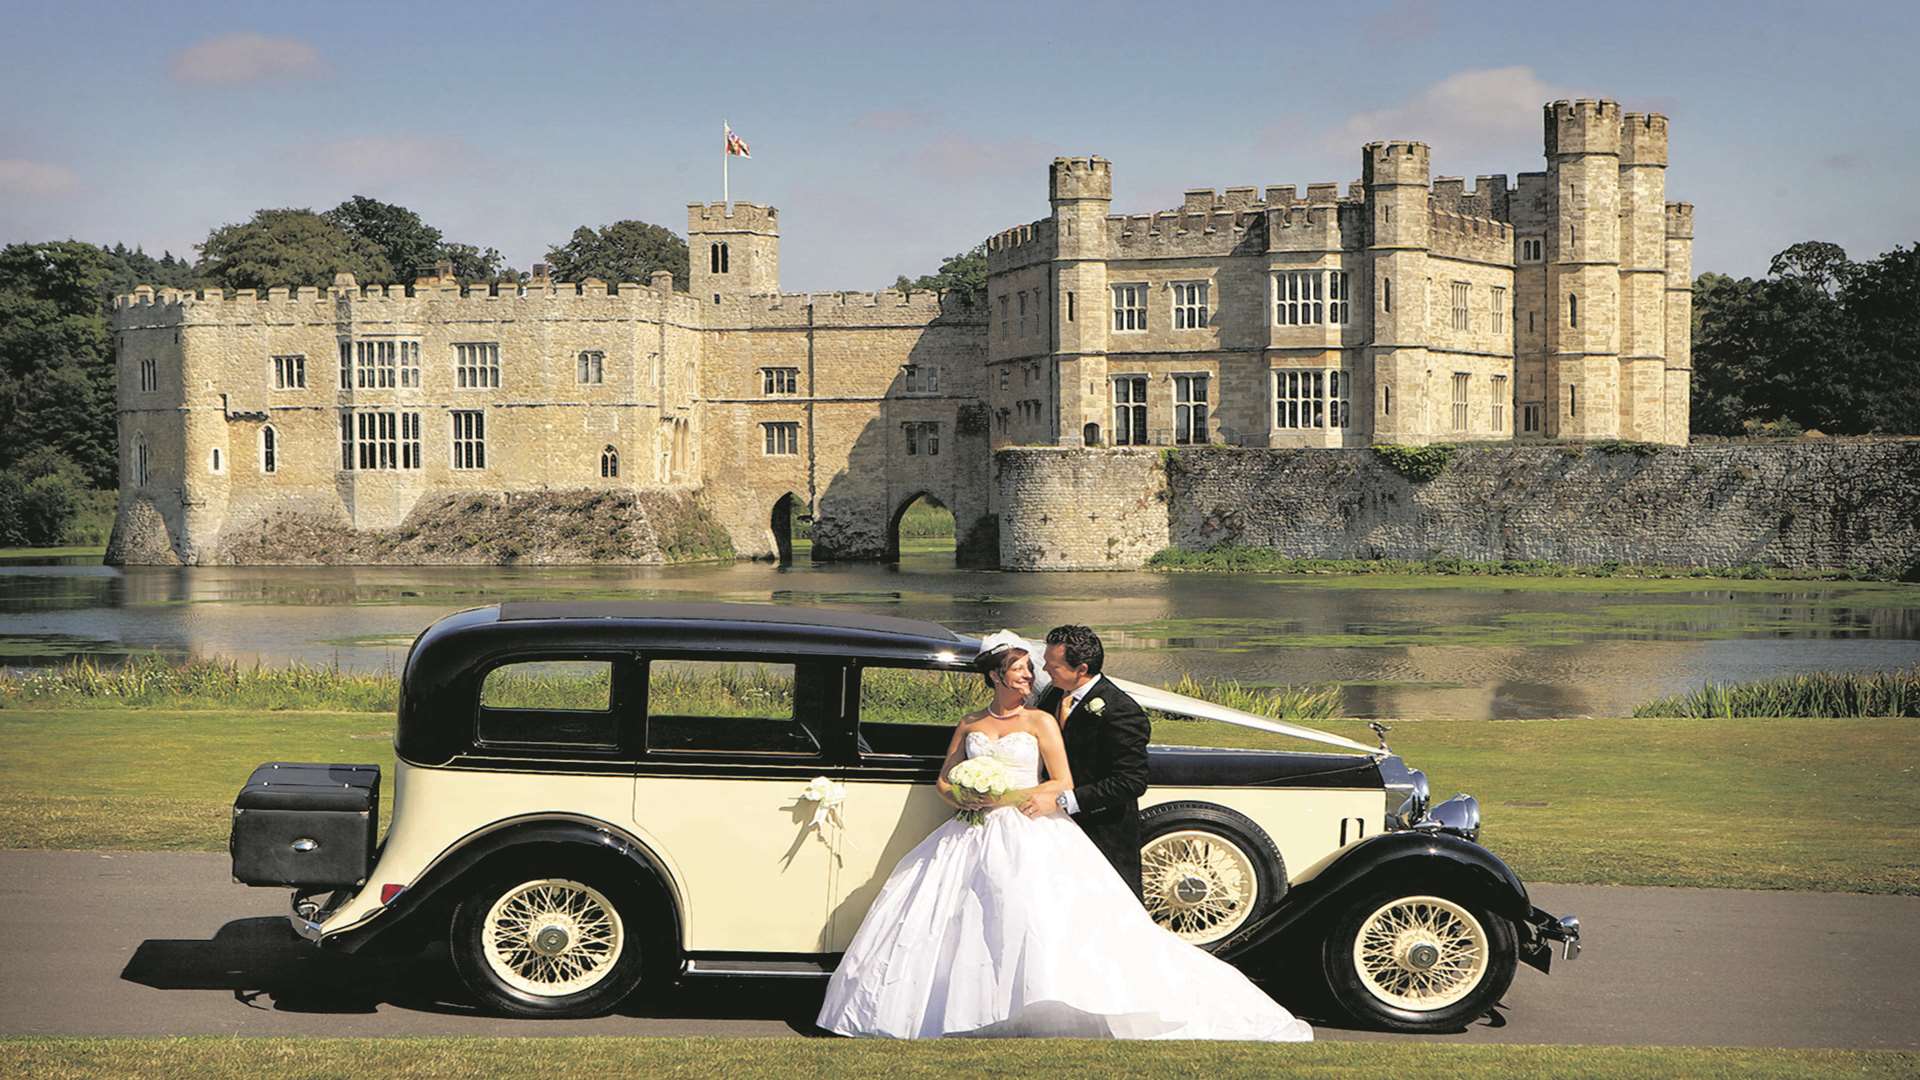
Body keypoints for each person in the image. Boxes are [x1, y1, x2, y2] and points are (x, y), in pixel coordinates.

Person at [815, 634, 1312, 1041]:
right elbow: (946, 776)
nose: (1037, 675)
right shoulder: (988, 718)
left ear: (1079, 666)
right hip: (973, 830)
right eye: (1025, 670)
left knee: (1049, 919)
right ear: (996, 676)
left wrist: (1007, 797)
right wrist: (961, 793)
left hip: (1044, 826)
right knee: (965, 917)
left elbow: (1076, 781)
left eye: (1045, 667)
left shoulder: (1075, 714)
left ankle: (1082, 1002)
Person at [1032, 624, 1149, 899]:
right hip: (1053, 829)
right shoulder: (1052, 695)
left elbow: (1131, 782)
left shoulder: (1122, 711)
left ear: (1081, 669)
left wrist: (1066, 800)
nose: (1046, 670)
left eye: (1053, 665)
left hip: (1102, 830)